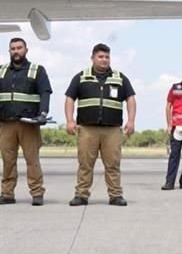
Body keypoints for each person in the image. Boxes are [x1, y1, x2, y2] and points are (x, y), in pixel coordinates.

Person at [64, 43, 137, 206]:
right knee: (85, 164)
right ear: (92, 58)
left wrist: (131, 120)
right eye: (101, 57)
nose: (104, 60)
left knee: (113, 164)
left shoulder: (120, 78)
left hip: (112, 130)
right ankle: (81, 195)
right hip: (87, 129)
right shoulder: (81, 77)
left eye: (107, 57)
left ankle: (116, 195)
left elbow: (130, 98)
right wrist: (69, 120)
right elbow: (70, 98)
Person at [0, 37, 52, 205]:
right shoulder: (1, 71)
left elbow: (45, 93)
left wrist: (43, 113)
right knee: (7, 161)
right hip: (5, 123)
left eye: (19, 48)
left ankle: (37, 193)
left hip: (28, 123)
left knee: (32, 160)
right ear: (9, 51)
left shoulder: (37, 70)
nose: (16, 51)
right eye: (13, 48)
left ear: (26, 50)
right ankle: (7, 194)